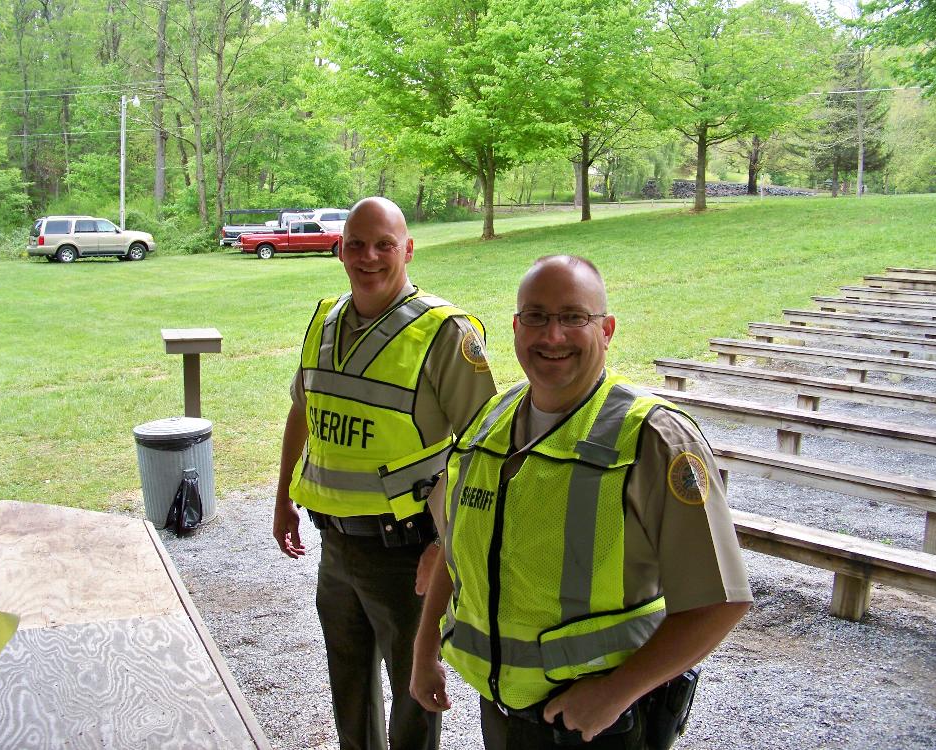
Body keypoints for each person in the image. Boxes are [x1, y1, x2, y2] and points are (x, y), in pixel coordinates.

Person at [410, 255, 752, 750]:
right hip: (501, 713)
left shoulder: (653, 439)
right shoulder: (488, 425)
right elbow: (455, 548)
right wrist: (424, 653)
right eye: (536, 316)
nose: (553, 336)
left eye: (574, 317)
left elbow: (720, 600)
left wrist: (615, 693)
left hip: (600, 726)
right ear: (516, 327)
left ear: (607, 330)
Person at [273, 196, 497, 750]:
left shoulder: (445, 334)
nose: (368, 257)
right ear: (340, 250)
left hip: (407, 553)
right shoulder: (324, 320)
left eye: (384, 245)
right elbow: (303, 408)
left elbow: (482, 452)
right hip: (335, 545)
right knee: (348, 689)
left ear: (408, 249)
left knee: (413, 695)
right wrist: (282, 498)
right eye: (356, 244)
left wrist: (447, 546)